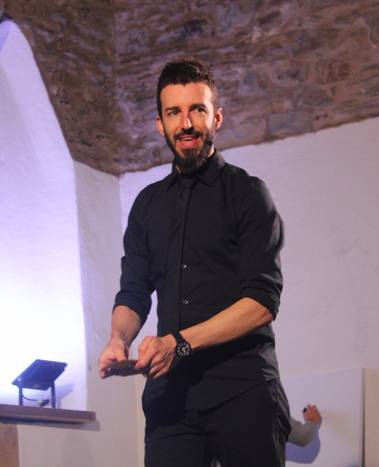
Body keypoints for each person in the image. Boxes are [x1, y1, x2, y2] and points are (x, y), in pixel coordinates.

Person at [98, 59, 290, 467]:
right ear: (160, 124)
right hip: (171, 401)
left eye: (196, 110)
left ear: (216, 117)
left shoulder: (248, 194)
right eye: (174, 113)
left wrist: (178, 343)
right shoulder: (147, 205)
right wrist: (119, 339)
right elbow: (133, 292)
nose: (185, 124)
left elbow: (261, 302)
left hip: (243, 392)